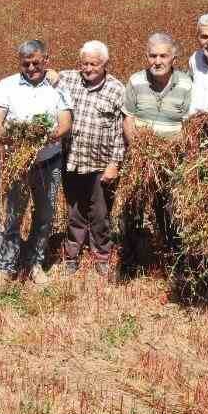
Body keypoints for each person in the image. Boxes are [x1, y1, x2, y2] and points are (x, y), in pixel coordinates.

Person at [0, 40, 73, 279]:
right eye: (26, 63)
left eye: (36, 62)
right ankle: (8, 265)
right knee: (14, 214)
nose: (31, 67)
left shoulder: (58, 86)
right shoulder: (6, 85)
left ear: (46, 60)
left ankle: (35, 263)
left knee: (45, 213)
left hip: (50, 161)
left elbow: (65, 123)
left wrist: (47, 137)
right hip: (18, 161)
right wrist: (9, 137)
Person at [119, 32, 194, 274]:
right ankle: (129, 262)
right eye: (153, 55)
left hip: (172, 161)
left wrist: (168, 152)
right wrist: (140, 149)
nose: (157, 61)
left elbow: (189, 125)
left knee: (170, 211)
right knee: (132, 210)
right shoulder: (136, 81)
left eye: (163, 55)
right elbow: (128, 118)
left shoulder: (187, 84)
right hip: (140, 159)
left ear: (174, 57)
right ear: (146, 57)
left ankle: (175, 263)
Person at [56, 41, 126, 275]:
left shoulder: (117, 89)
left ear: (105, 64)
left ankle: (102, 256)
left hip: (101, 164)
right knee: (74, 211)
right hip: (73, 160)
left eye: (93, 64)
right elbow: (49, 74)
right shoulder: (69, 80)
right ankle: (71, 255)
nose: (88, 68)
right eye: (84, 63)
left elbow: (119, 132)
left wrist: (114, 164)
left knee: (100, 214)